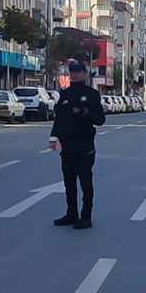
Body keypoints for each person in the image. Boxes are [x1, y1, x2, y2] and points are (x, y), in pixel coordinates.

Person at [49, 61, 106, 230]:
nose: (74, 74)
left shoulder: (92, 94)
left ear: (84, 73)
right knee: (69, 181)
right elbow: (59, 118)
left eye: (78, 71)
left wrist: (84, 112)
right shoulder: (65, 94)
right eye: (71, 71)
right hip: (67, 145)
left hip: (84, 144)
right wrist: (53, 137)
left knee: (85, 181)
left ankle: (86, 216)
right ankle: (71, 213)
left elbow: (100, 119)